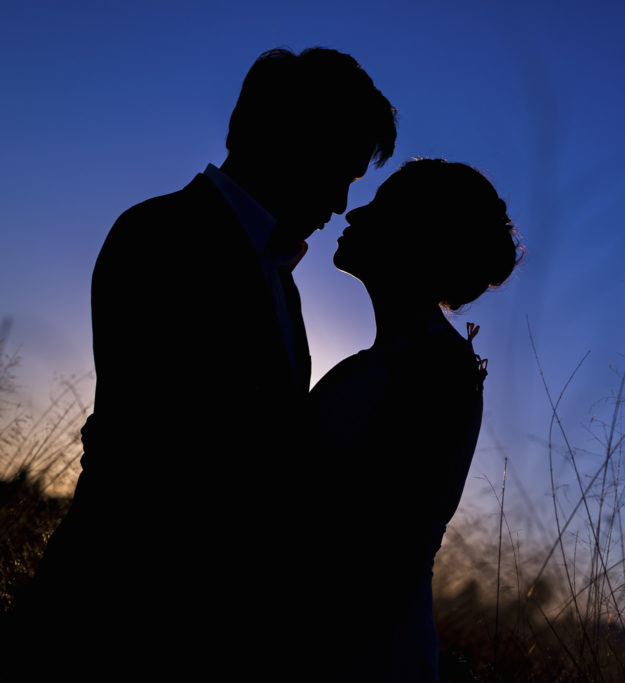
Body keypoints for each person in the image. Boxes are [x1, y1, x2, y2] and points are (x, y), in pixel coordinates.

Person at [21, 47, 397, 666]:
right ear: (291, 138)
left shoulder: (285, 281)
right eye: (343, 170)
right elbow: (164, 448)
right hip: (111, 620)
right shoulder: (160, 235)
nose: (339, 202)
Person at [307, 158, 521, 681]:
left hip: (362, 656)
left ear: (418, 237)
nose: (353, 213)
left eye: (380, 207)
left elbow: (370, 543)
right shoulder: (390, 362)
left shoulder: (439, 372)